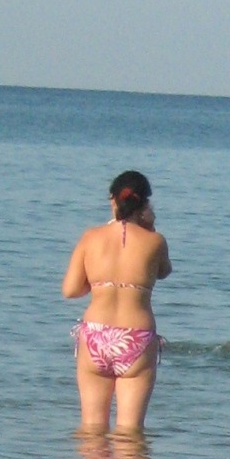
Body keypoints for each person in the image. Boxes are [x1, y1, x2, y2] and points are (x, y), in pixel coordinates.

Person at [62, 170, 171, 432]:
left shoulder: (90, 237)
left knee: (92, 429)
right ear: (145, 204)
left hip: (96, 335)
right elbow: (164, 271)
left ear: (113, 200)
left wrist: (99, 284)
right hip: (136, 337)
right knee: (130, 433)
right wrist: (150, 227)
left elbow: (70, 290)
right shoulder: (155, 241)